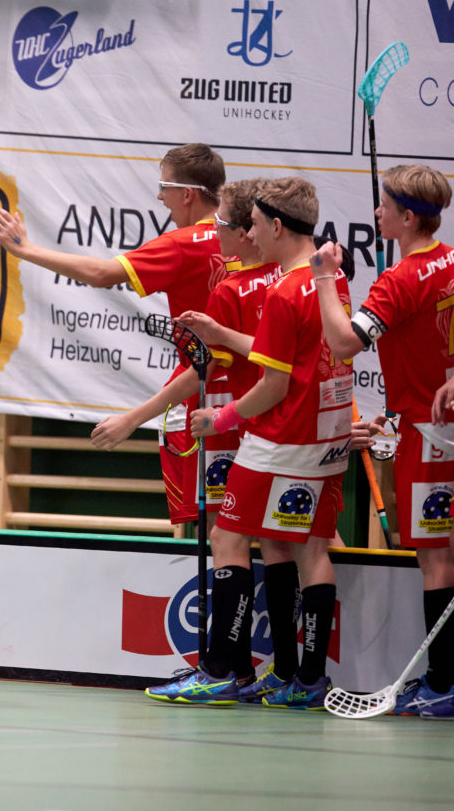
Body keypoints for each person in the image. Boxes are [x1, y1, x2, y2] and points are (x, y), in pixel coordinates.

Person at [161, 177, 350, 709]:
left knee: (226, 539)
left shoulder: (285, 289)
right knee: (308, 547)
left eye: (256, 226)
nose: (250, 235)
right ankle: (304, 678)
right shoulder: (329, 278)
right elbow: (298, 354)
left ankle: (222, 671)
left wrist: (219, 419)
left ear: (276, 225)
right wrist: (223, 337)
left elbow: (275, 381)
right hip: (326, 435)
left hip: (281, 436)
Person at [0, 144, 226, 533]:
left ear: (187, 194)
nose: (157, 196)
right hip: (251, 393)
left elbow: (101, 273)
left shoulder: (183, 245)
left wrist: (24, 250)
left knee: (222, 538)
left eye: (163, 186)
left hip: (207, 396)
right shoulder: (249, 238)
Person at [315, 164, 454, 718]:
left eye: (384, 205)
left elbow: (345, 343)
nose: (376, 213)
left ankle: (443, 683)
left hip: (429, 433)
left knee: (437, 561)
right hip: (433, 422)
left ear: (407, 216)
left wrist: (325, 277)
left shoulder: (402, 280)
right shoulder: (450, 259)